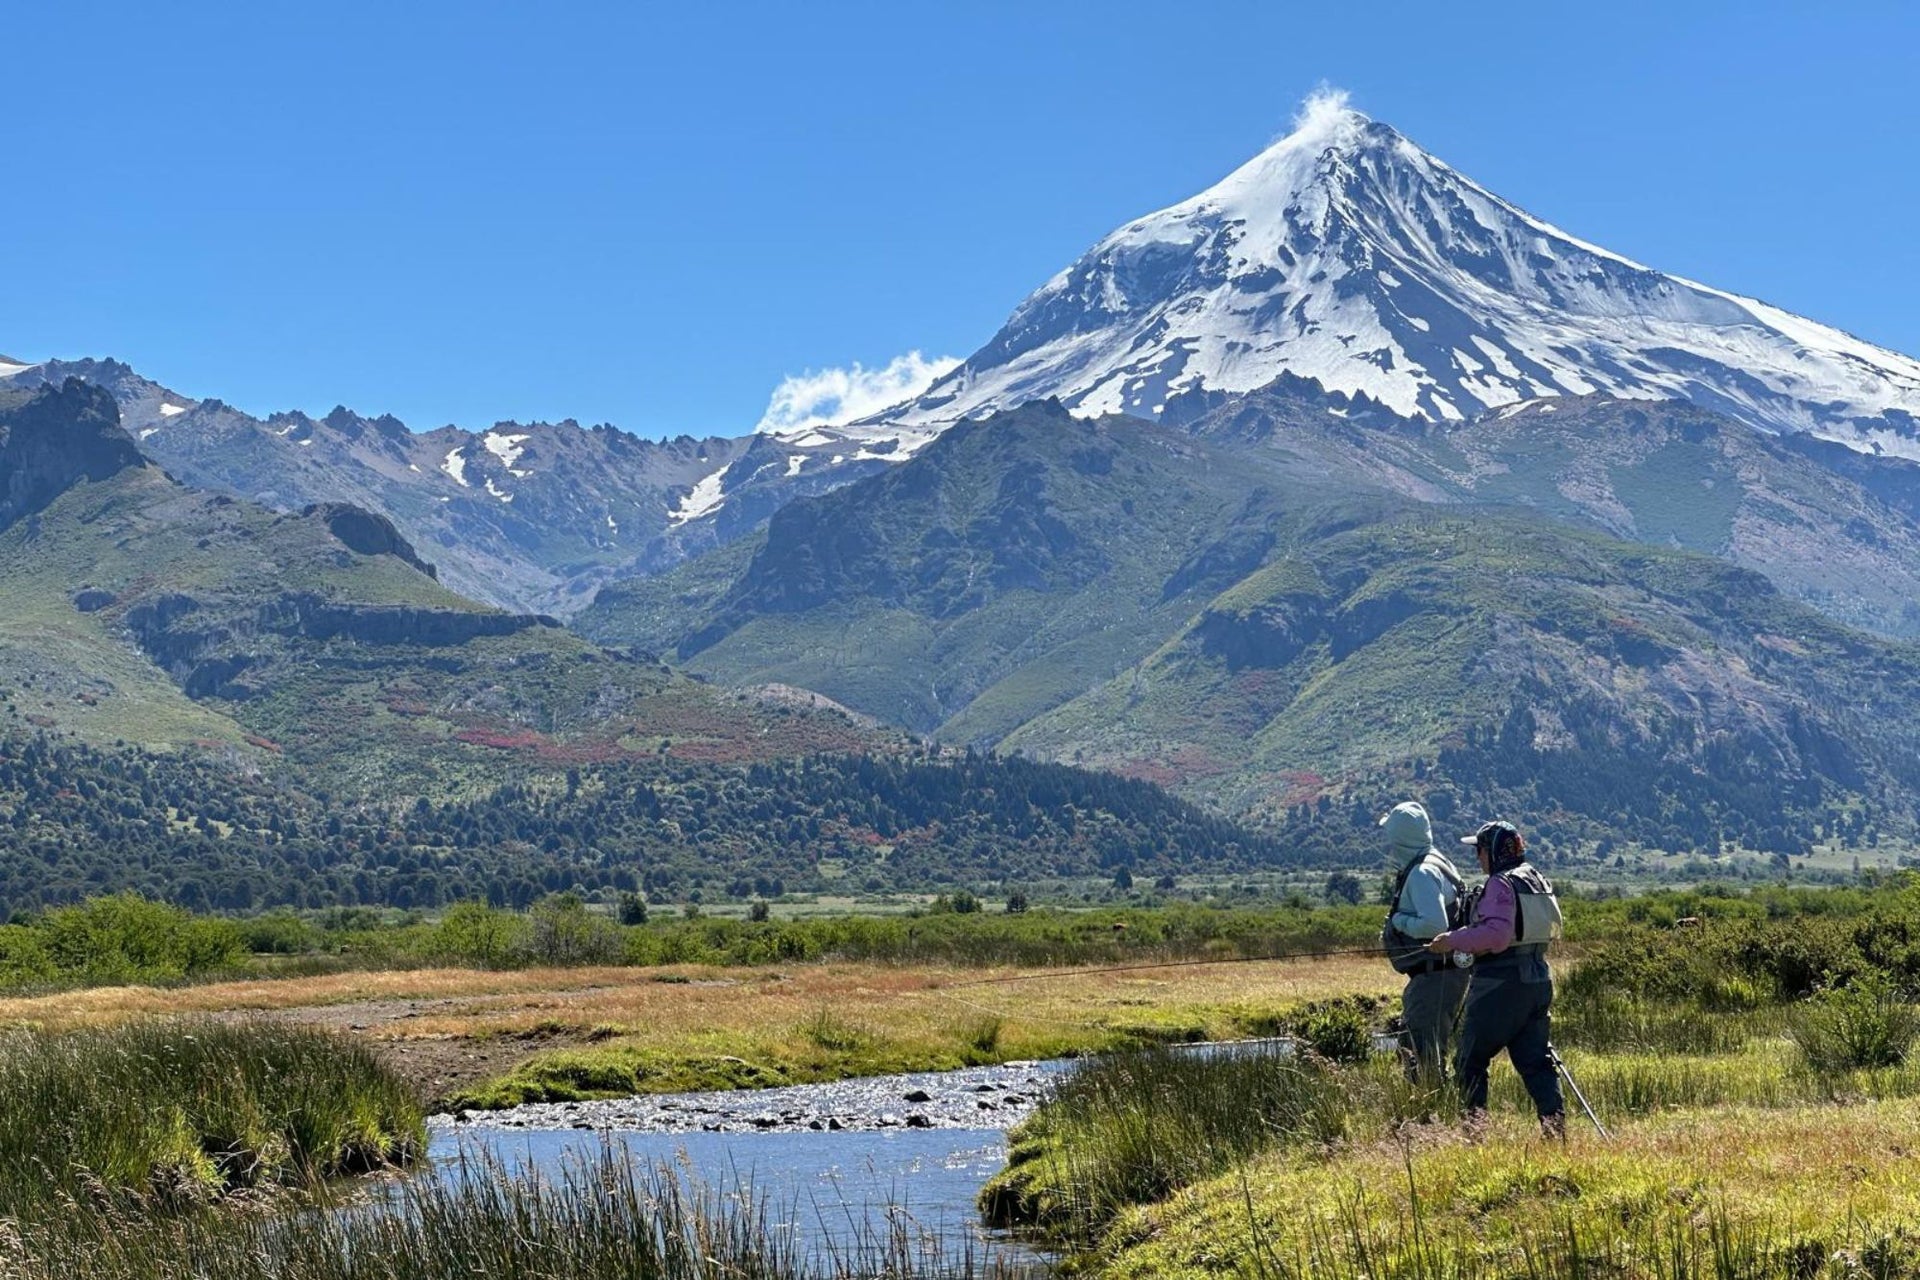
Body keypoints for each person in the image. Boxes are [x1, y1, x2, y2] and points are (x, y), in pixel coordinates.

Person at [1428, 819, 1567, 1137]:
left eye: (1479, 850)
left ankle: (1473, 1136)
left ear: (1492, 851)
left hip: (1501, 985)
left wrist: (1451, 940)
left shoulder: (1499, 884)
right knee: (1536, 1063)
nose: (1478, 857)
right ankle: (1556, 1134)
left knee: (1469, 1061)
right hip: (1537, 980)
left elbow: (1497, 935)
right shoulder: (1535, 878)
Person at [1377, 801, 1469, 1083]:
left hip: (1434, 979)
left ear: (1399, 838)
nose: (1388, 843)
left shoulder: (1421, 873)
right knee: (1426, 1048)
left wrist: (1399, 922)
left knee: (1423, 1053)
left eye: (1390, 836)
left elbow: (1435, 925)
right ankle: (1433, 1111)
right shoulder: (1438, 861)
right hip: (1443, 974)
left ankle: (1431, 1115)